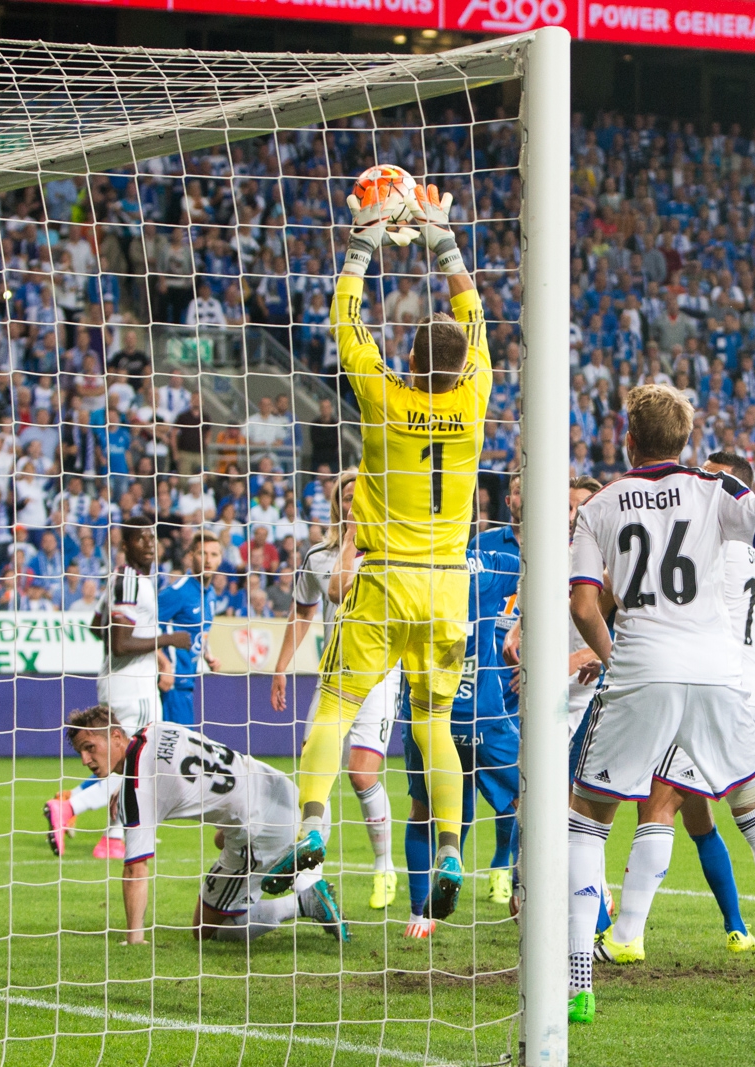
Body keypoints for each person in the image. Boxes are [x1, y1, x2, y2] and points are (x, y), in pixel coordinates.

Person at [565, 384, 755, 1025]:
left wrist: (612, 654)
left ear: (627, 437)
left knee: (587, 819)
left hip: (642, 668)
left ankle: (578, 981)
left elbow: (585, 605)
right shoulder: (716, 488)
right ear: (686, 439)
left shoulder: (601, 505)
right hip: (718, 674)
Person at [264, 178, 489, 923]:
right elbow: (473, 313)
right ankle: (453, 847)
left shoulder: (385, 398)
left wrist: (365, 237)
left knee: (332, 706)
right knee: (432, 724)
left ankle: (312, 827)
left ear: (410, 357)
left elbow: (345, 319)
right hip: (449, 585)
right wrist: (439, 238)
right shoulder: (476, 395)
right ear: (462, 366)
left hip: (385, 580)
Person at [595, 452, 755, 965]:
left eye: (710, 476)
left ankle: (624, 936)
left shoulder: (712, 528)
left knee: (658, 803)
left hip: (720, 687)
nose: (699, 482)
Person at [64, 706, 346, 944]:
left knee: (205, 928)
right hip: (299, 801)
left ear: (115, 736)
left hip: (266, 829)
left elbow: (135, 869)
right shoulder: (156, 727)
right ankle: (291, 869)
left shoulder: (138, 789)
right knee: (220, 839)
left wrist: (134, 937)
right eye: (80, 752)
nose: (85, 760)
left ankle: (304, 900)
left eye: (90, 748)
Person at [272, 470, 401, 910]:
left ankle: (384, 866)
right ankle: (312, 877)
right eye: (347, 497)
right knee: (315, 769)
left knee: (361, 773)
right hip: (334, 677)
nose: (353, 504)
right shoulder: (319, 556)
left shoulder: (392, 550)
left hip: (381, 677)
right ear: (337, 504)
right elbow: (303, 614)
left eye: (360, 496)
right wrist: (280, 668)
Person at [47, 517, 191, 859]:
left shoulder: (122, 579)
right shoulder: (130, 580)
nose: (150, 544)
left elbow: (98, 625)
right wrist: (170, 639)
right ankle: (70, 807)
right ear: (125, 546)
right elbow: (120, 644)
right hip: (135, 687)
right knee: (140, 761)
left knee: (128, 762)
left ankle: (113, 837)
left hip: (116, 682)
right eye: (141, 539)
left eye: (152, 538)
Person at [402, 535, 520, 938]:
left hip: (425, 709)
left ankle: (420, 915)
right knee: (534, 801)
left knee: (424, 809)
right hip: (484, 714)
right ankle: (534, 891)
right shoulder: (486, 565)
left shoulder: (406, 563)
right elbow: (547, 571)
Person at [156, 530, 224, 726]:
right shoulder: (177, 592)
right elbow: (147, 627)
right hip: (171, 684)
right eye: (202, 553)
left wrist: (207, 654)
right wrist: (164, 665)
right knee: (178, 749)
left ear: (220, 559)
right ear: (191, 556)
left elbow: (200, 631)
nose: (208, 560)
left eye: (213, 554)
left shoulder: (209, 594)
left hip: (188, 681)